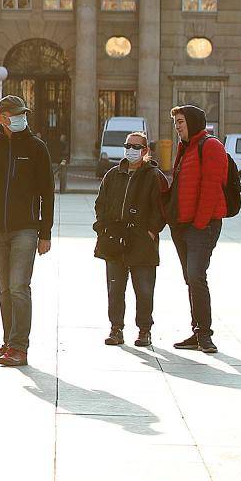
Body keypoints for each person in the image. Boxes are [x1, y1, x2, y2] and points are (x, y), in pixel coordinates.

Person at [0, 95, 55, 369]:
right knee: (5, 290)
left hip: (26, 229)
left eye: (22, 114)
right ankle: (8, 343)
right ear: (1, 118)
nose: (20, 118)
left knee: (19, 287)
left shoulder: (36, 148)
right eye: (14, 114)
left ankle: (20, 347)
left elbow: (47, 192)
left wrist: (46, 232)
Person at [93, 131, 167, 347]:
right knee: (115, 288)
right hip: (114, 239)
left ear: (145, 151)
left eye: (137, 147)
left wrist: (151, 231)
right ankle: (116, 328)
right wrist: (103, 228)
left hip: (142, 241)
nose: (131, 150)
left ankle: (144, 330)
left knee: (144, 289)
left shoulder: (154, 176)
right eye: (128, 145)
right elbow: (101, 203)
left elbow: (162, 208)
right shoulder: (113, 174)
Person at [166, 104, 227, 354]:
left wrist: (199, 223)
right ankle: (197, 331)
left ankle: (205, 334)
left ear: (192, 122)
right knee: (190, 278)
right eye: (176, 123)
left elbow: (212, 187)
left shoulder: (210, 146)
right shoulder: (185, 148)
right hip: (182, 226)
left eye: (180, 122)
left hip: (201, 226)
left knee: (196, 277)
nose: (177, 127)